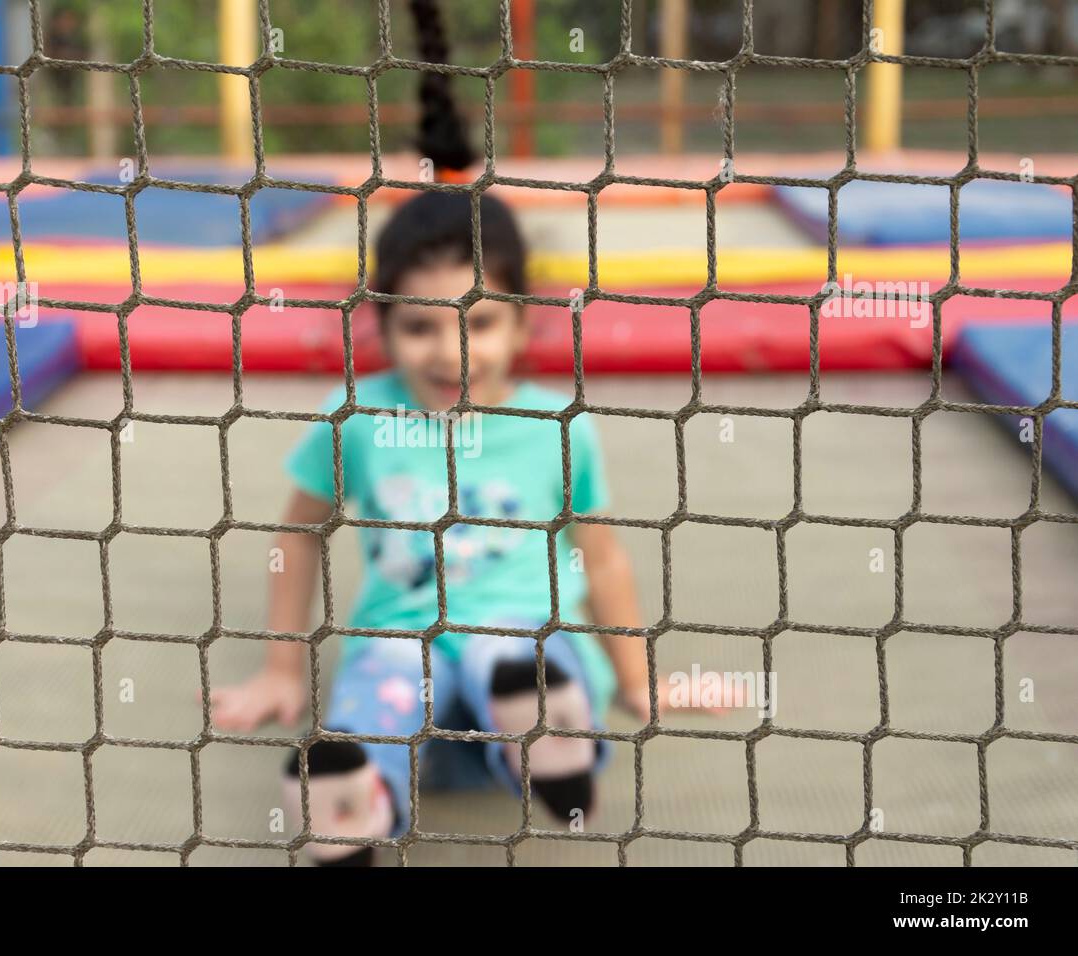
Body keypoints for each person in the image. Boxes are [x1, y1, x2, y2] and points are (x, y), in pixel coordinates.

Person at [207, 0, 719, 866]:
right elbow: (294, 536)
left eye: (478, 323)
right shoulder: (359, 418)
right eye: (418, 327)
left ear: (524, 322)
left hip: (529, 640)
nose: (449, 352)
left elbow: (602, 557)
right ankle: (356, 800)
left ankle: (552, 744)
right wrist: (284, 670)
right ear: (379, 326)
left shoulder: (558, 423)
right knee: (371, 697)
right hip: (402, 643)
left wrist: (639, 681)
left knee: (534, 666)